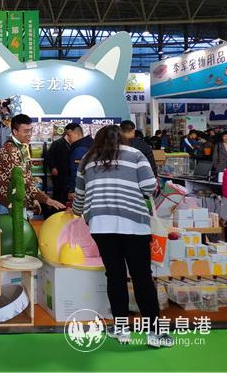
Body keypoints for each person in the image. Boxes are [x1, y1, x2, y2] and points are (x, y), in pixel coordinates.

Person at [72, 125, 171, 348]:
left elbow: (80, 194)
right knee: (142, 277)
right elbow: (149, 188)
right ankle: (154, 333)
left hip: (101, 225)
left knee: (115, 276)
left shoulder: (87, 159)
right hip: (134, 224)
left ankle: (120, 328)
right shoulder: (135, 155)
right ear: (122, 138)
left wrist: (77, 212)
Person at [0, 114, 66, 214]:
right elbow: (21, 179)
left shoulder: (22, 146)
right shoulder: (10, 150)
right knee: (10, 224)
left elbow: (27, 174)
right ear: (15, 132)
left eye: (31, 130)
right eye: (26, 131)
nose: (30, 134)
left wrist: (34, 198)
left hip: (17, 199)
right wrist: (46, 199)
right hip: (6, 202)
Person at [44, 123, 82, 208]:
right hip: (59, 174)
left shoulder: (74, 145)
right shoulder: (57, 143)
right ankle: (57, 210)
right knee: (58, 194)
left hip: (69, 175)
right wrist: (53, 167)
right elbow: (49, 156)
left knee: (67, 195)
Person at [65, 126, 93, 200]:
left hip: (80, 189)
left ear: (77, 134)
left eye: (69, 135)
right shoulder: (88, 144)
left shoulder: (80, 149)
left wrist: (73, 190)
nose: (67, 138)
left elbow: (76, 171)